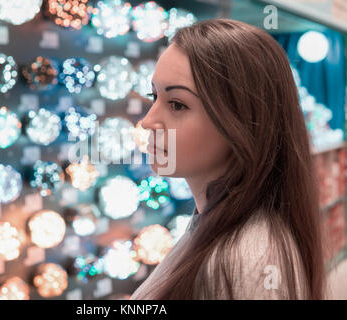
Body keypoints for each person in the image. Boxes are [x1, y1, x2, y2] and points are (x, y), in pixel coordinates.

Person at [130, 19, 326, 300]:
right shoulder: (217, 226)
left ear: (241, 122)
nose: (148, 121)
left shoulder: (245, 264)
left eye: (177, 104)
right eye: (154, 96)